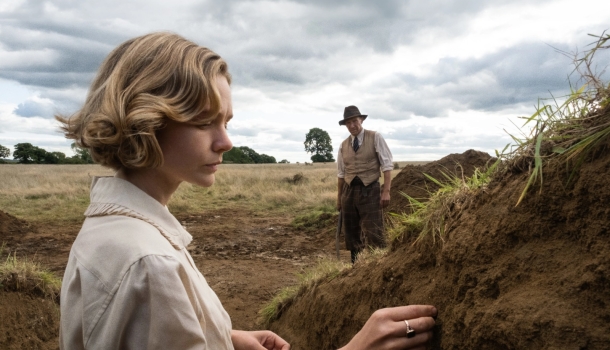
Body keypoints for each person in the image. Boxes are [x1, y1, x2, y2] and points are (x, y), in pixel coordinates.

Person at [57, 32, 436, 350]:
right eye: (205, 122)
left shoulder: (111, 229)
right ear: (146, 119)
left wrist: (222, 337)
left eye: (226, 121)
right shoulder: (148, 264)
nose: (225, 141)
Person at [337, 105, 394, 264]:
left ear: (361, 120)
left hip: (370, 189)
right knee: (351, 231)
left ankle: (380, 264)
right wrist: (339, 198)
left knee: (374, 229)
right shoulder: (343, 145)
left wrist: (386, 191)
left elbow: (387, 166)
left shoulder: (375, 137)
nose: (352, 126)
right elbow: (341, 174)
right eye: (348, 123)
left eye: (354, 121)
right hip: (349, 191)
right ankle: (356, 266)